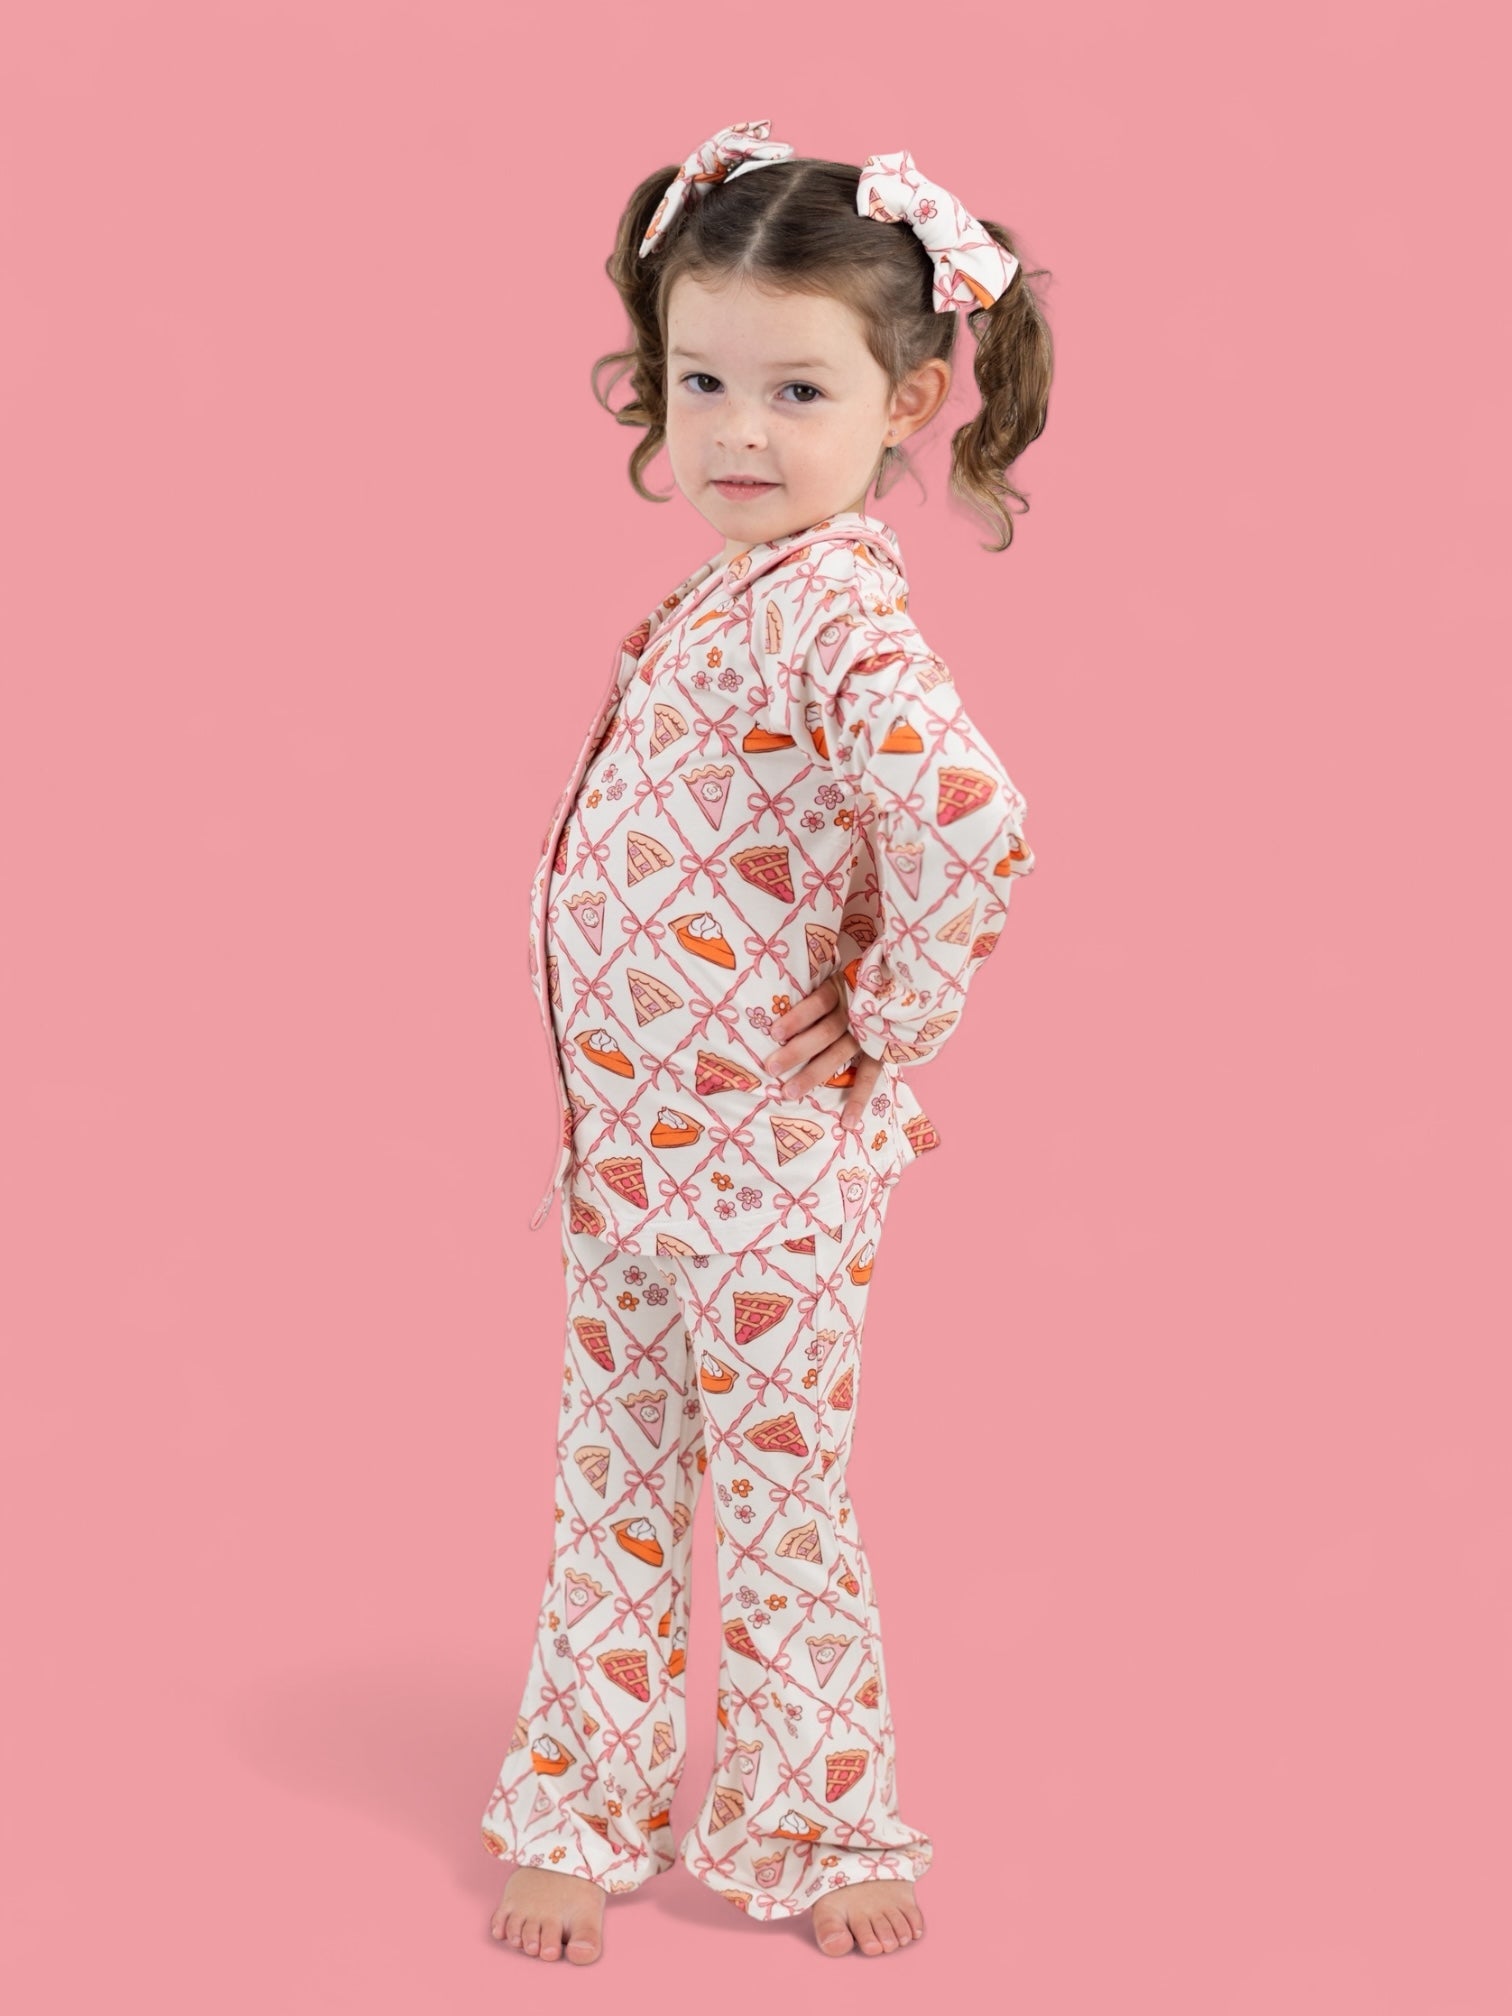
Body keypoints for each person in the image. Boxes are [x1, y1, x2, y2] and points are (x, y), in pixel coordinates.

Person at [480, 118, 1053, 1965]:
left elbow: (968, 815)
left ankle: (825, 1825)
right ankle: (580, 1805)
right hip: (631, 1162)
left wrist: (888, 1016)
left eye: (797, 390)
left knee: (783, 1507)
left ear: (908, 403)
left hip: (768, 1180)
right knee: (612, 1488)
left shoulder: (837, 610)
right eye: (701, 379)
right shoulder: (739, 590)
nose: (737, 430)